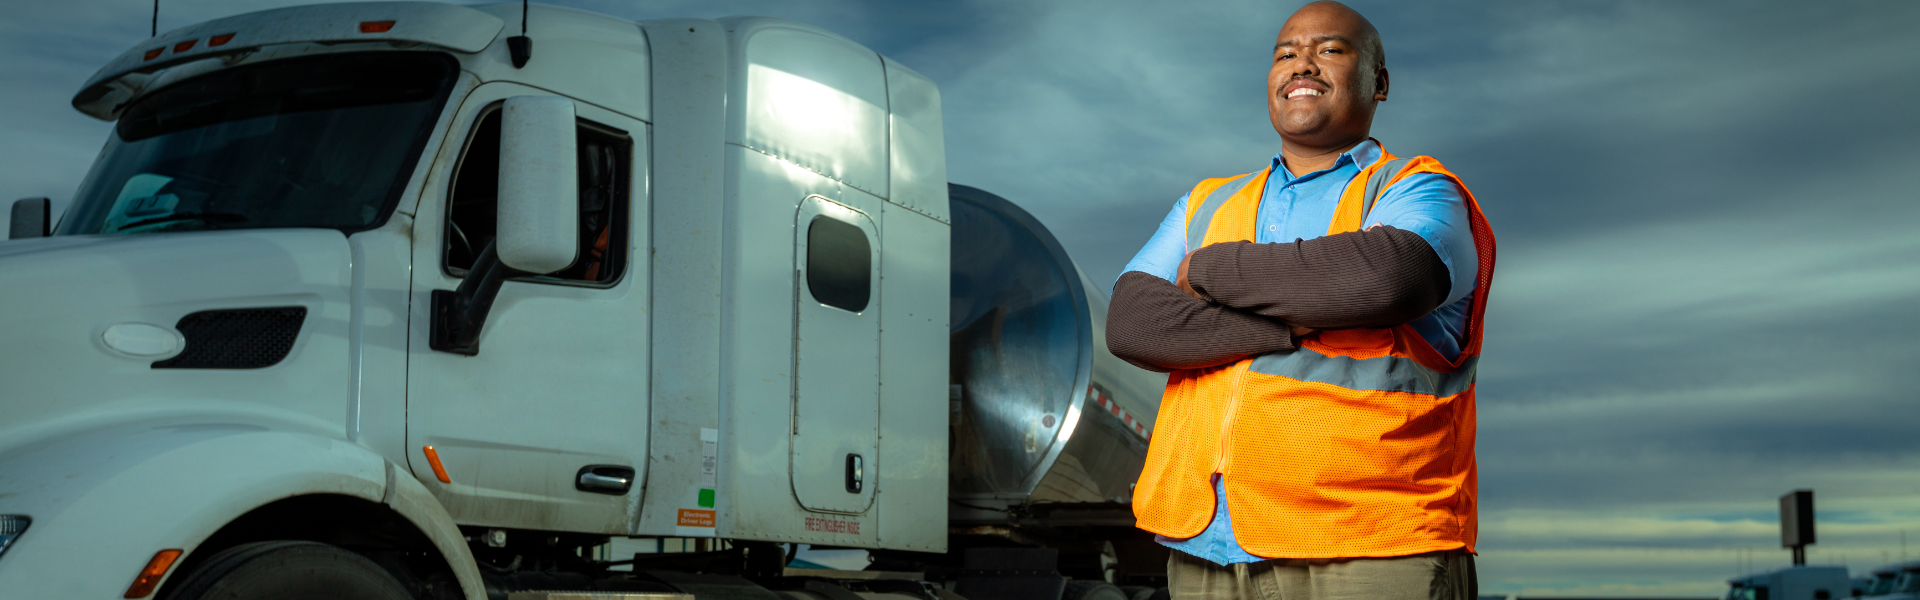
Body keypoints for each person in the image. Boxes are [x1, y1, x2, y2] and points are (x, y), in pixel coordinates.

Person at [1105, 2, 1497, 599]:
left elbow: (1389, 279)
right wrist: (1293, 324)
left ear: (1379, 82)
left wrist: (1205, 269)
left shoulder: (1416, 190)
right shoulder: (1207, 203)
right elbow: (1132, 323)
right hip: (1206, 541)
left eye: (1330, 49)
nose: (1301, 63)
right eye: (1285, 53)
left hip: (1370, 542)